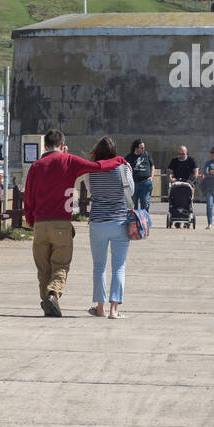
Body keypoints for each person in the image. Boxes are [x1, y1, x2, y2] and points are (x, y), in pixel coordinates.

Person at [23, 129, 126, 318]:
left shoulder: (36, 166)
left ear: (45, 146)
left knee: (43, 268)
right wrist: (119, 160)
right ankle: (53, 294)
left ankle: (47, 303)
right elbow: (98, 166)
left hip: (40, 224)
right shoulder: (68, 160)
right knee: (60, 264)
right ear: (62, 145)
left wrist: (30, 220)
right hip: (61, 223)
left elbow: (28, 198)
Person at [85, 136, 134, 319]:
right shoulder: (122, 168)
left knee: (99, 266)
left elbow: (90, 190)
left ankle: (99, 308)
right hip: (120, 222)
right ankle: (114, 310)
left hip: (98, 222)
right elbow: (131, 192)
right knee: (119, 267)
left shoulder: (92, 170)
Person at [126, 139, 154, 212]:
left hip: (145, 183)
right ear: (136, 148)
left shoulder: (146, 155)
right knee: (133, 204)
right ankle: (134, 221)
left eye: (144, 147)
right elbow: (123, 167)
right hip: (134, 183)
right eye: (141, 148)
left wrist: (151, 176)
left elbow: (152, 166)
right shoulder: (129, 157)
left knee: (145, 203)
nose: (143, 149)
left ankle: (144, 222)